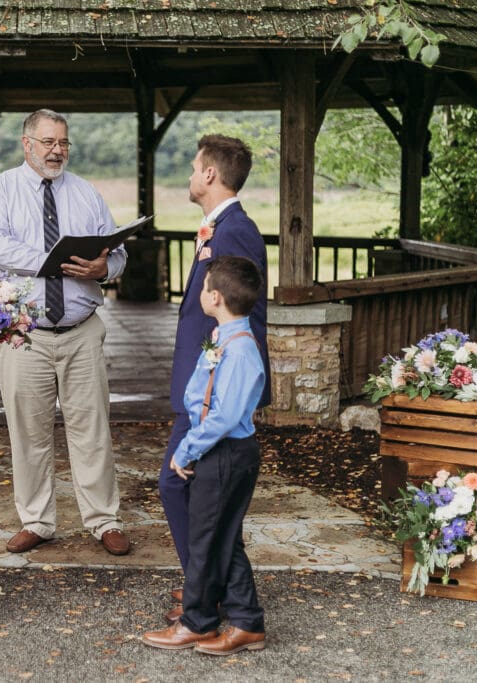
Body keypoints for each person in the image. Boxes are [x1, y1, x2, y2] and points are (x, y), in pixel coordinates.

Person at [0, 109, 131, 556]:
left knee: (92, 427)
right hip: (25, 334)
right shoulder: (0, 190)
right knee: (28, 432)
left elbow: (116, 251)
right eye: (48, 142)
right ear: (27, 144)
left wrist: (106, 265)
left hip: (82, 331)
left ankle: (104, 520)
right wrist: (54, 258)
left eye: (63, 142)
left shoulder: (86, 193)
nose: (57, 150)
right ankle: (37, 521)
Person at [160, 134, 270, 623]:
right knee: (201, 499)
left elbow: (243, 312)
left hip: (213, 392)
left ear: (209, 174)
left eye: (192, 166)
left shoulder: (235, 232)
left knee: (176, 486)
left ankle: (204, 594)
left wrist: (215, 384)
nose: (188, 175)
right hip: (204, 384)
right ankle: (215, 595)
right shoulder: (217, 228)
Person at [142, 255, 268, 655]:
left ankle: (197, 621)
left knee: (204, 538)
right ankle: (247, 621)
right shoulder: (225, 338)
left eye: (202, 286)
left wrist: (187, 449)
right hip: (221, 449)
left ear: (214, 297)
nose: (199, 293)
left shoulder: (241, 351)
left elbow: (226, 416)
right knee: (222, 538)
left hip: (226, 451)